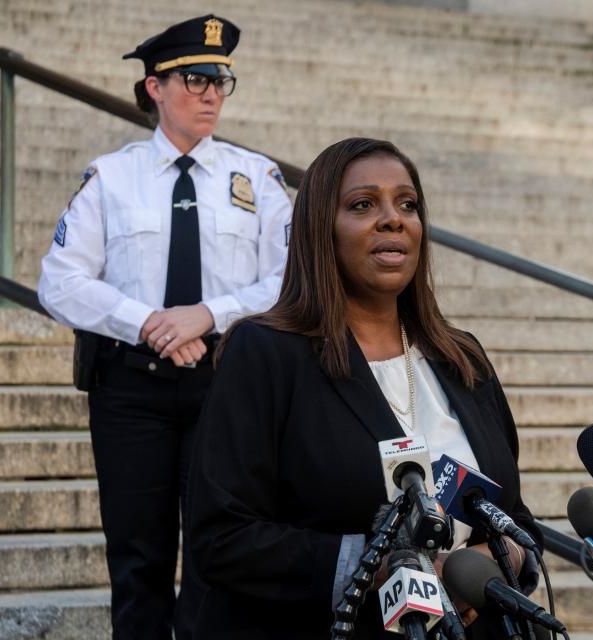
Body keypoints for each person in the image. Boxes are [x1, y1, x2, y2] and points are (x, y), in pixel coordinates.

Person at [186, 138, 542, 639]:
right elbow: (223, 536)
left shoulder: (464, 358)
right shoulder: (264, 354)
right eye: (362, 204)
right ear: (319, 231)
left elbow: (515, 518)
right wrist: (387, 567)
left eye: (408, 204)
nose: (394, 219)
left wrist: (495, 560)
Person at [37, 14, 293, 640]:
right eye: (195, 78)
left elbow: (292, 282)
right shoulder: (111, 178)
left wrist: (206, 315)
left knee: (221, 560)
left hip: (226, 392)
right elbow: (59, 281)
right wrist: (149, 323)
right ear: (154, 86)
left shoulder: (257, 180)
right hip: (131, 395)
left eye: (221, 82)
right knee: (138, 562)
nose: (210, 93)